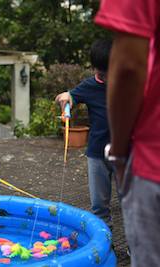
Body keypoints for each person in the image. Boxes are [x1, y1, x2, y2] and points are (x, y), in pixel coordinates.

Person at [95, 1, 160, 266]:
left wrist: (119, 152)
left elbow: (128, 67)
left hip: (153, 160)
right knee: (100, 203)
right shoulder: (88, 87)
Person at [55, 39, 114, 228]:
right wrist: (66, 97)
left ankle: (134, 245)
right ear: (95, 68)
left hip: (126, 153)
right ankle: (106, 242)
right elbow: (70, 96)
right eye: (101, 72)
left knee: (131, 204)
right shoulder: (90, 86)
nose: (105, 76)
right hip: (97, 153)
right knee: (99, 206)